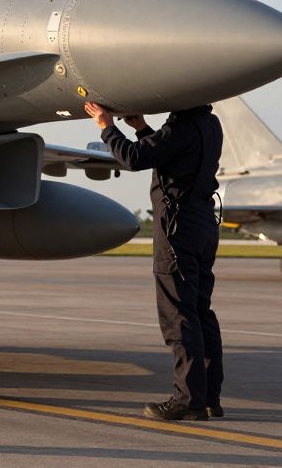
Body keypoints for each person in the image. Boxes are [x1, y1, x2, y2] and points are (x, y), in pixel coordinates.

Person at [83, 101, 225, 421]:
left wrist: (106, 126)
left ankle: (187, 399)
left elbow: (134, 158)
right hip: (203, 224)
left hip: (177, 230)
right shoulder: (209, 125)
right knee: (201, 312)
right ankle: (208, 399)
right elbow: (170, 155)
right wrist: (142, 129)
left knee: (178, 314)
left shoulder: (179, 128)